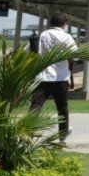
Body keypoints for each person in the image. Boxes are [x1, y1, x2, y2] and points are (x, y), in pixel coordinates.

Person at [31, 12, 77, 141]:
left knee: (35, 106)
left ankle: (28, 132)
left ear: (50, 23)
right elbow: (75, 54)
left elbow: (28, 51)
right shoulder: (67, 37)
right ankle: (62, 135)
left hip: (41, 77)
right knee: (62, 108)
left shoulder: (40, 36)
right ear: (64, 24)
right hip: (60, 78)